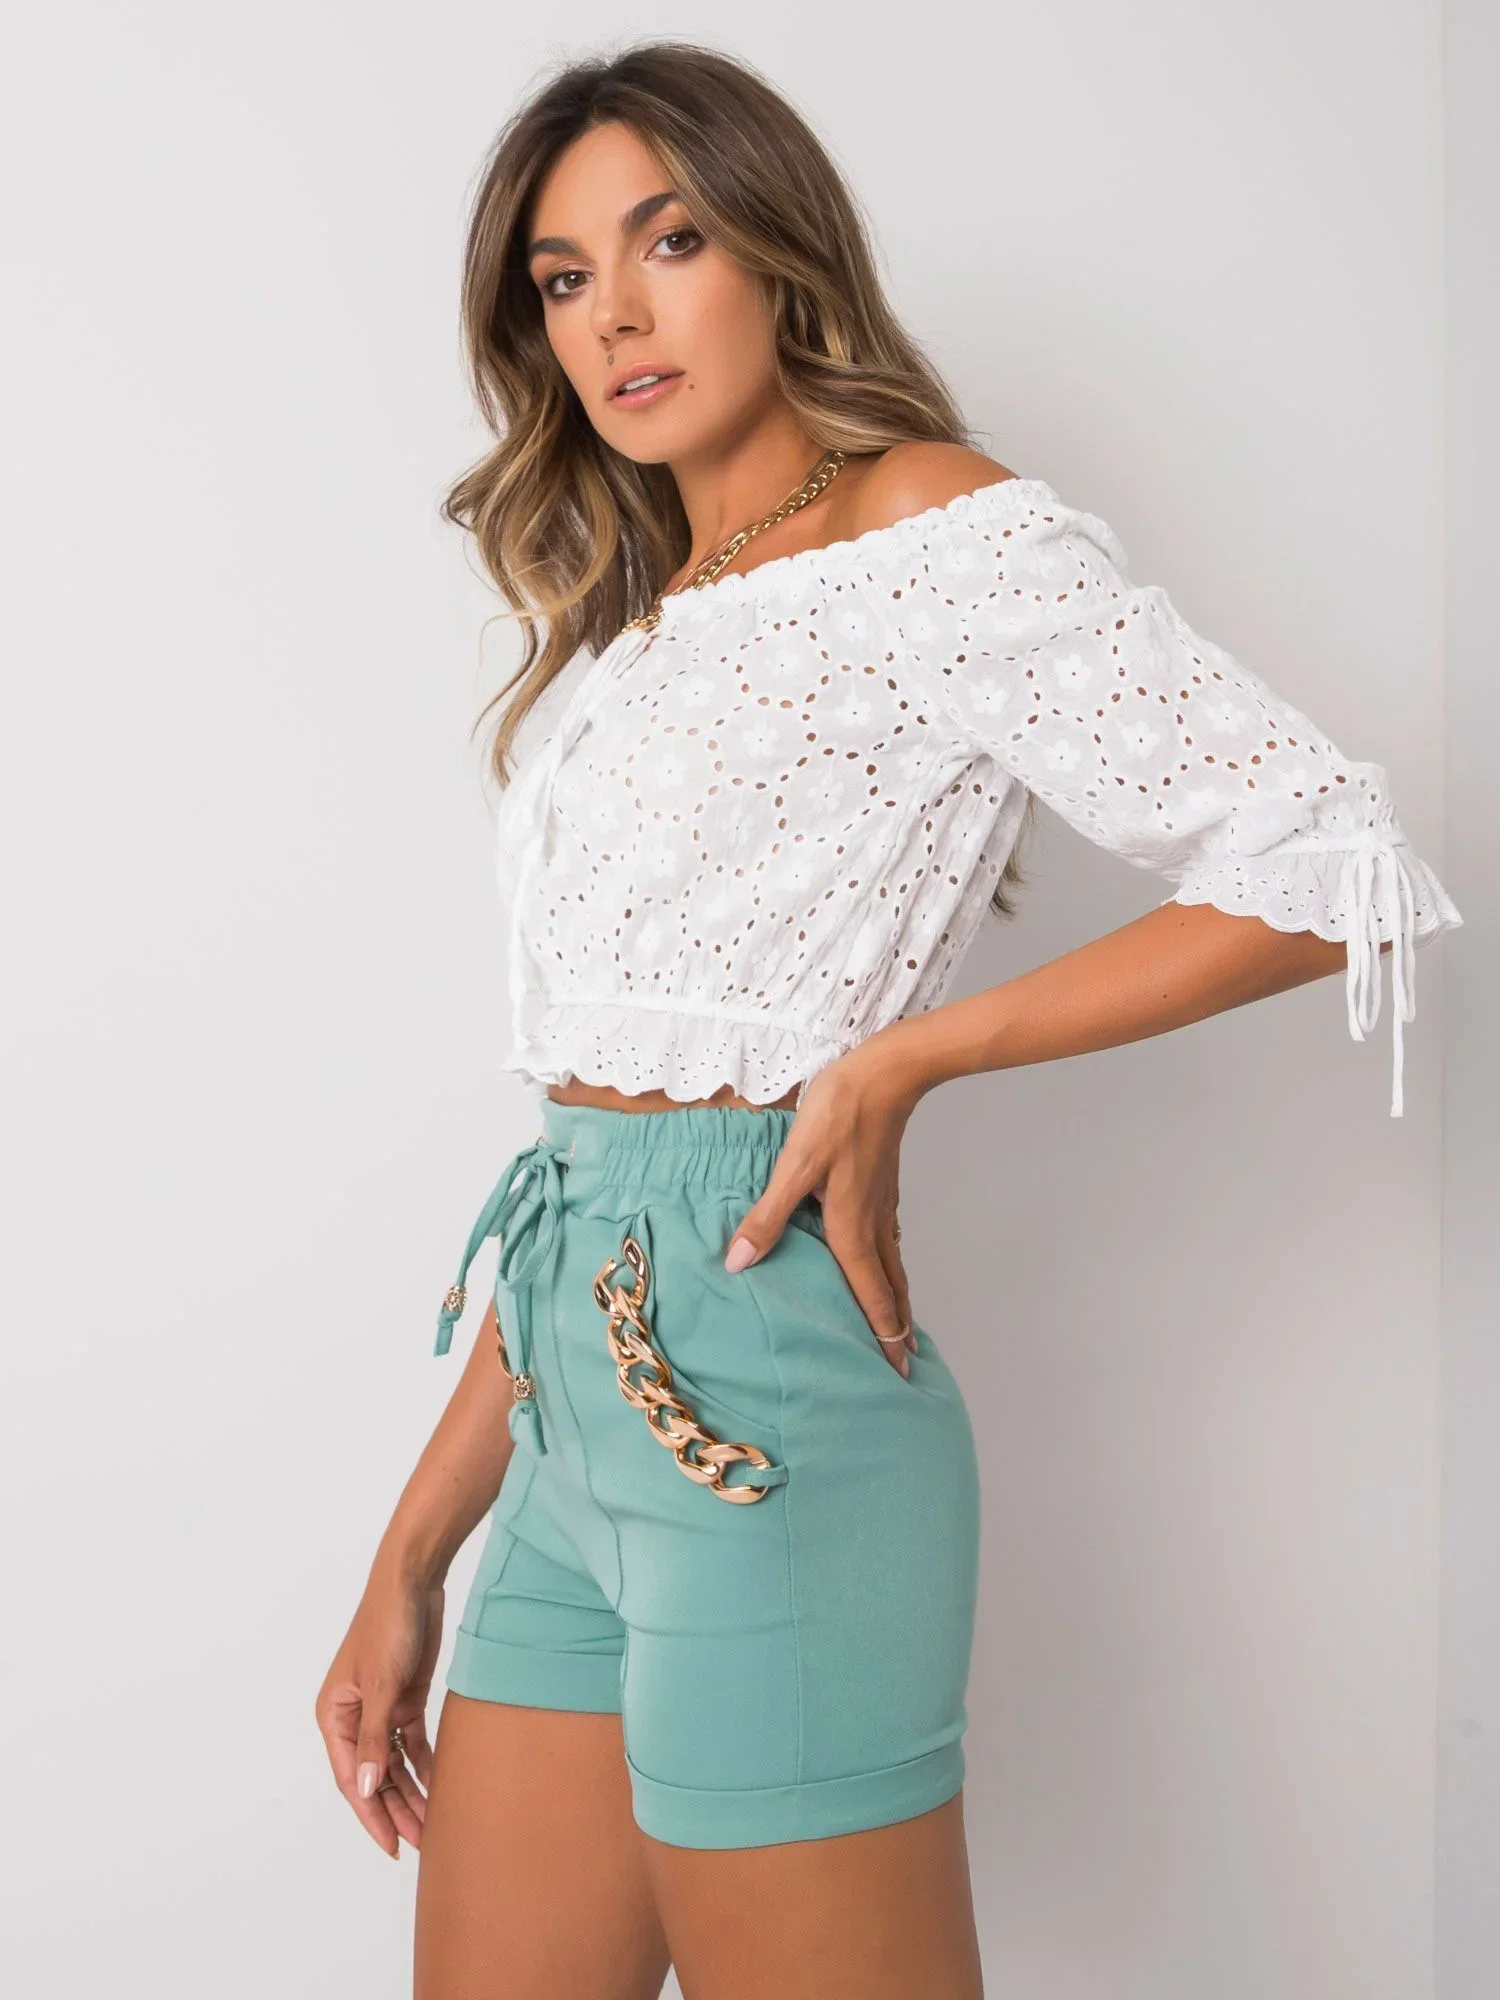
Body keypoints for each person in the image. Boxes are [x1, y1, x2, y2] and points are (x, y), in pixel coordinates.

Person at [314, 40, 1462, 2000]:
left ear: (778, 250)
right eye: (565, 279)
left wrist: (915, 1053)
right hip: (564, 1428)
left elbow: (1327, 863)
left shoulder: (932, 531)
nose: (615, 315)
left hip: (768, 1416)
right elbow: (599, 1167)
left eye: (669, 240)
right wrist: (413, 1545)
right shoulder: (646, 617)